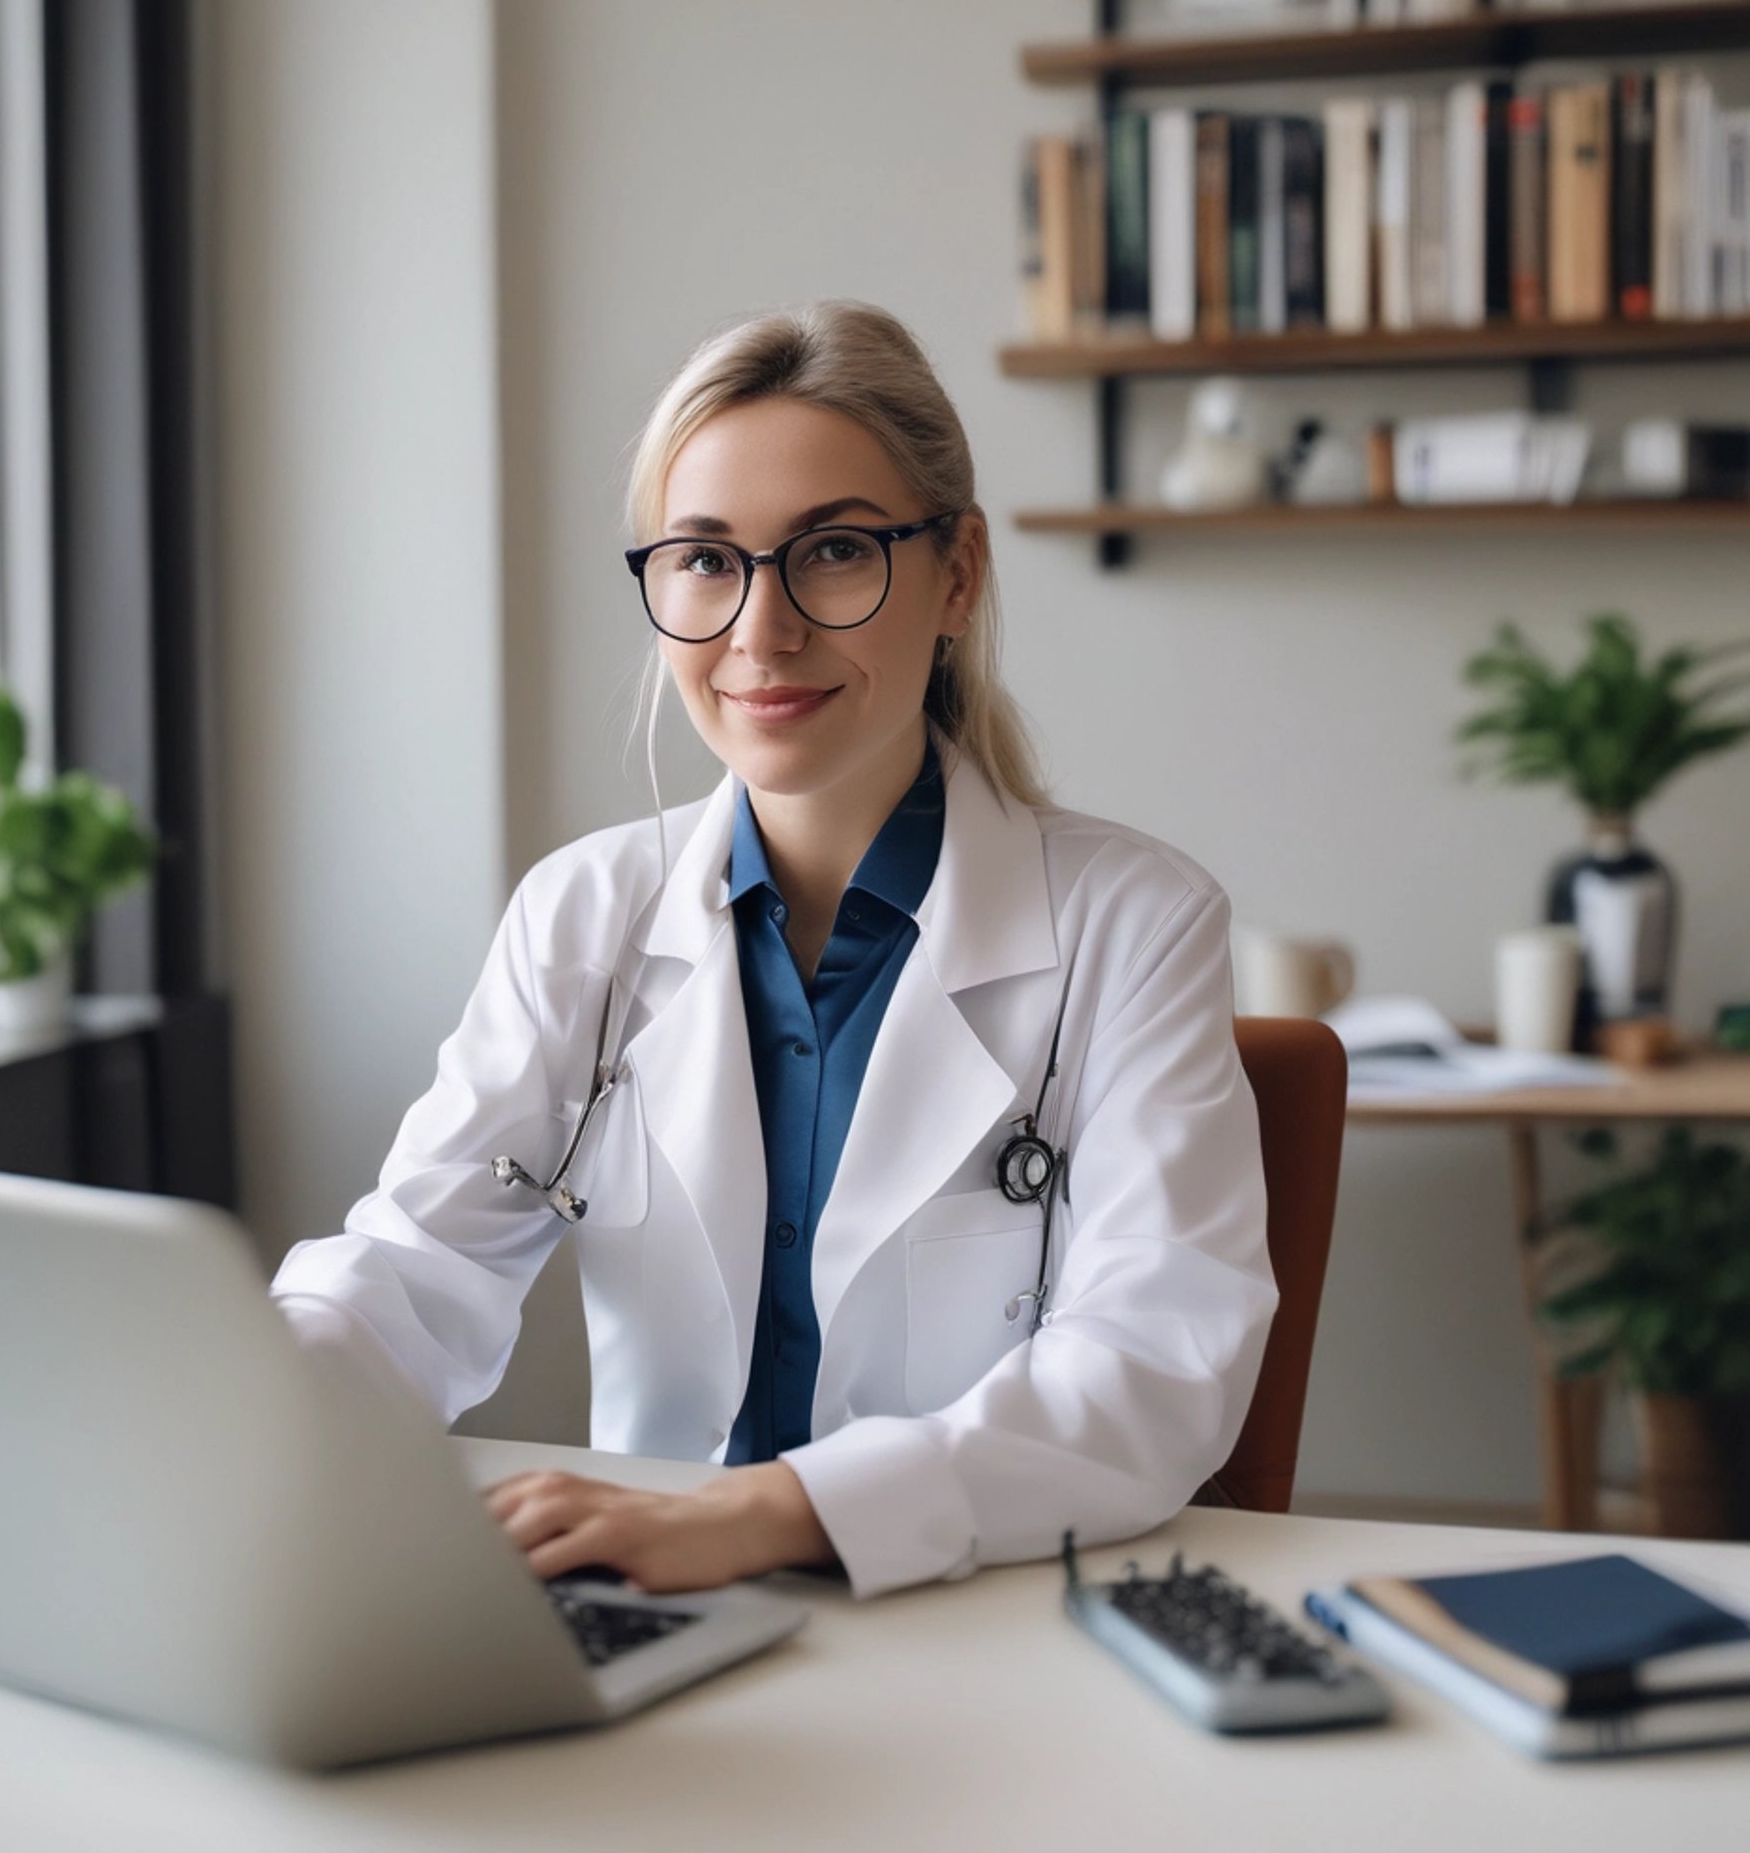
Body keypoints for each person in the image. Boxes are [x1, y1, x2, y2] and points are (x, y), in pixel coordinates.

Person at [270, 301, 1275, 1601]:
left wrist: (772, 1514)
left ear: (956, 574)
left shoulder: (1130, 924)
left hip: (968, 1611)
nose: (759, 630)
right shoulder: (584, 916)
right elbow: (417, 1266)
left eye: (837, 551)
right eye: (704, 559)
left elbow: (1154, 1361)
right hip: (653, 1612)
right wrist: (260, 1405)